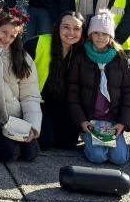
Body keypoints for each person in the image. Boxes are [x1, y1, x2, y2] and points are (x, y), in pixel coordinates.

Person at [67, 11, 130, 165]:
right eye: (96, 33)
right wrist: (82, 121)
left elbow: (128, 92)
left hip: (112, 120)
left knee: (120, 158)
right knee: (98, 157)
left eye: (104, 33)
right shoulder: (80, 56)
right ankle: (86, 139)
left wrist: (122, 122)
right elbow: (72, 92)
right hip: (89, 119)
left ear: (110, 36)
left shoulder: (120, 58)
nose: (100, 37)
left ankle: (117, 143)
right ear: (90, 35)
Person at [0, 8, 42, 162]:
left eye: (12, 36)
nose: (6, 38)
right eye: (4, 32)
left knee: (31, 152)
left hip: (14, 118)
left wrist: (32, 125)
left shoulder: (22, 58)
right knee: (10, 153)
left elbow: (30, 96)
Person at [24, 12, 85, 150]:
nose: (71, 33)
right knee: (45, 142)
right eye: (66, 27)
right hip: (36, 102)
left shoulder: (81, 51)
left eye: (76, 28)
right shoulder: (37, 43)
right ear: (58, 27)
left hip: (63, 105)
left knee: (67, 143)